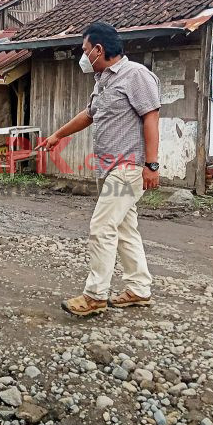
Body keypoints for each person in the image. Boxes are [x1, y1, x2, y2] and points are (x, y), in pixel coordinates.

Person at [37, 22, 161, 317]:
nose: (83, 56)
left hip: (128, 167)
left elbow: (151, 118)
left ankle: (95, 296)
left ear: (98, 49)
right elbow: (89, 114)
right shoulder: (103, 79)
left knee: (102, 227)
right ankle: (139, 289)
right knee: (124, 228)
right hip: (110, 168)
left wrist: (151, 165)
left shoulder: (136, 76)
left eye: (84, 50)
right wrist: (58, 135)